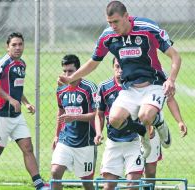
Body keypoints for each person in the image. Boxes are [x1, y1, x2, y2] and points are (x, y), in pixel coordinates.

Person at [58, 1, 181, 158]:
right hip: (130, 88)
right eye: (109, 22)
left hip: (153, 84)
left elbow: (175, 56)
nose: (113, 26)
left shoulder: (147, 28)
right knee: (114, 120)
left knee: (145, 115)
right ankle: (142, 131)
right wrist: (71, 78)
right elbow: (93, 63)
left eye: (116, 21)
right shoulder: (108, 36)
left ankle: (158, 121)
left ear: (126, 16)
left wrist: (171, 79)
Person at [0, 32, 48, 190]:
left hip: (16, 115)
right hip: (0, 114)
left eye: (20, 44)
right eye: (14, 45)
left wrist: (26, 103)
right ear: (7, 47)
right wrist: (10, 100)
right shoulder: (3, 62)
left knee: (28, 147)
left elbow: (17, 89)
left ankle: (39, 184)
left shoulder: (21, 64)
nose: (17, 47)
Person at [94, 57, 145, 190]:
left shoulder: (136, 86)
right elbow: (98, 114)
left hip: (133, 142)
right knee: (108, 186)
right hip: (113, 143)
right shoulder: (104, 87)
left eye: (123, 67)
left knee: (133, 185)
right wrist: (98, 133)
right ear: (113, 67)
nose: (120, 70)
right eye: (117, 66)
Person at [51, 54, 97, 190]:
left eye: (70, 71)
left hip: (86, 142)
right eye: (64, 71)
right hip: (65, 140)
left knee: (87, 182)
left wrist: (75, 117)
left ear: (79, 70)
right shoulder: (61, 89)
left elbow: (96, 115)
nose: (66, 74)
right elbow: (60, 112)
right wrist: (57, 135)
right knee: (55, 173)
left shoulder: (89, 88)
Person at [144, 97, 187, 189]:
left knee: (150, 170)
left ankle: (159, 122)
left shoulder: (160, 83)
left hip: (152, 122)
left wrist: (180, 121)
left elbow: (170, 98)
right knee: (134, 169)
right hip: (131, 124)